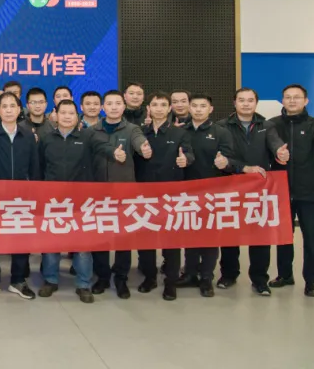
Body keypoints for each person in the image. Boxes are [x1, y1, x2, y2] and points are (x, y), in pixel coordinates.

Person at [36, 100, 112, 303]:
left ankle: (83, 283)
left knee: (82, 245)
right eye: (63, 113)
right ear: (55, 115)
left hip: (81, 201)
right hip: (53, 200)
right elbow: (39, 167)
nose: (67, 117)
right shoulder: (46, 139)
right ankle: (50, 280)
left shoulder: (87, 136)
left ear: (77, 116)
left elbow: (103, 147)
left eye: (71, 113)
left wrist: (114, 152)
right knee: (52, 243)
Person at [0, 92, 40, 301]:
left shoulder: (27, 135)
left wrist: (35, 191)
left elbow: (35, 166)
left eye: (13, 106)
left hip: (21, 196)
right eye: (5, 106)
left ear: (19, 110)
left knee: (20, 238)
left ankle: (18, 280)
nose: (9, 110)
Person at [268, 84, 314, 297]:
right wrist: (278, 152)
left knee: (311, 238)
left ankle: (311, 281)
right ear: (282, 100)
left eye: (297, 97)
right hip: (281, 190)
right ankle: (285, 275)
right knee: (284, 237)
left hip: (309, 191)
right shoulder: (272, 124)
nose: (292, 101)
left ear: (306, 101)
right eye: (288, 97)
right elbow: (271, 143)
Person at [89, 90, 151, 299]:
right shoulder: (92, 131)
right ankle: (102, 276)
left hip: (124, 193)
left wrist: (144, 148)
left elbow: (140, 142)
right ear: (103, 107)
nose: (114, 107)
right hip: (97, 193)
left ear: (123, 106)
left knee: (123, 237)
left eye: (118, 103)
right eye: (109, 103)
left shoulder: (132, 129)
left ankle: (121, 277)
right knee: (100, 237)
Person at [218, 88, 278, 296]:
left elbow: (276, 145)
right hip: (230, 185)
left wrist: (280, 152)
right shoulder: (222, 126)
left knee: (260, 235)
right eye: (241, 100)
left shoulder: (267, 126)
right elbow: (222, 157)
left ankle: (260, 279)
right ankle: (228, 274)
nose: (246, 104)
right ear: (234, 103)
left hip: (259, 189)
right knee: (229, 234)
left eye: (250, 100)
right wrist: (242, 168)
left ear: (256, 103)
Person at [136, 92, 193, 301]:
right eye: (154, 105)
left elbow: (189, 153)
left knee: (171, 240)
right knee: (146, 238)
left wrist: (186, 160)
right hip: (145, 194)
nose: (158, 108)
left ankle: (170, 282)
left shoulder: (180, 133)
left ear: (169, 108)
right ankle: (149, 277)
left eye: (163, 105)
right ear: (148, 108)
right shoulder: (140, 132)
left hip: (171, 194)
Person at [178, 93, 235, 298]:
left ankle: (206, 278)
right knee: (190, 234)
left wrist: (225, 163)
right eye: (194, 105)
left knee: (210, 237)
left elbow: (230, 160)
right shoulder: (181, 131)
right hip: (187, 192)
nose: (198, 109)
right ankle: (190, 273)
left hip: (213, 192)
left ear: (210, 109)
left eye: (203, 106)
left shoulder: (221, 132)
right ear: (189, 108)